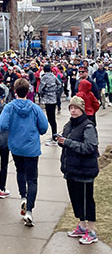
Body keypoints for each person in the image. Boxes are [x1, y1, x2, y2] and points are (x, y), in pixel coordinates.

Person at [0, 78, 48, 227]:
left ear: (15, 91)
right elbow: (44, 127)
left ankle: (23, 197)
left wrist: (12, 128)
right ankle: (29, 211)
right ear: (28, 91)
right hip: (31, 147)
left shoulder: (9, 107)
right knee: (32, 179)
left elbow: (2, 125)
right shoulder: (34, 108)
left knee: (20, 171)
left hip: (16, 146)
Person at [58, 96, 100, 245]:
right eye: (71, 108)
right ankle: (82, 226)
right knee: (76, 199)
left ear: (82, 109)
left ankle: (91, 231)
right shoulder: (69, 124)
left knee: (87, 201)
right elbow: (66, 141)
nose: (73, 111)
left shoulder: (88, 126)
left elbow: (90, 147)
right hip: (71, 169)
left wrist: (68, 142)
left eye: (76, 108)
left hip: (85, 170)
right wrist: (61, 141)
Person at [38, 64, 62, 146]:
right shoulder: (53, 76)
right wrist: (55, 90)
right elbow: (60, 84)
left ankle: (54, 137)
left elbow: (40, 88)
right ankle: (54, 135)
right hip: (54, 98)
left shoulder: (44, 77)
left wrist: (43, 93)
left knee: (50, 119)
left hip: (47, 99)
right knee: (53, 119)